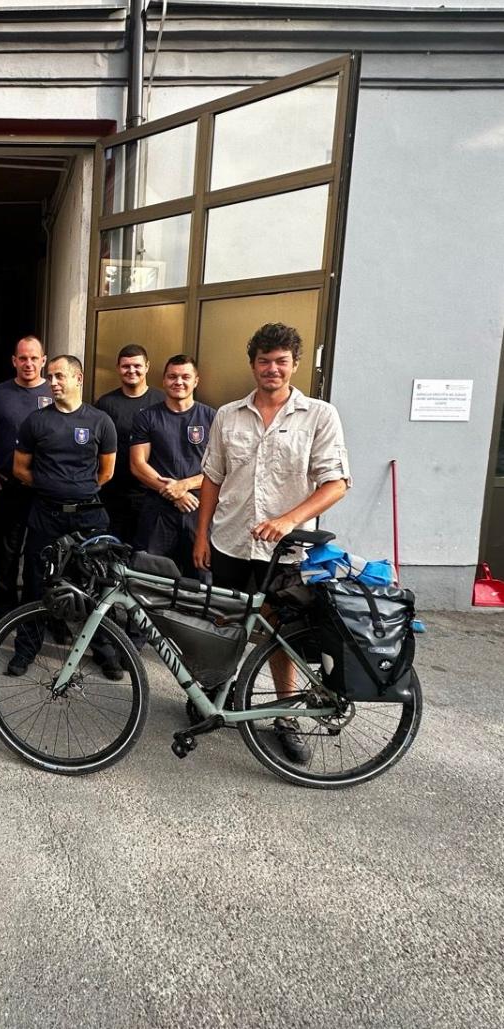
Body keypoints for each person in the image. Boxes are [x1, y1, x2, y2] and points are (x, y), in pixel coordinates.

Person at [192, 322, 351, 765]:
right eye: (264, 361)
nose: (272, 369)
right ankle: (216, 694)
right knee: (225, 621)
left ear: (295, 364)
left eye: (281, 361)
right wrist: (201, 534)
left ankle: (285, 715)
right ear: (253, 365)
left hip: (286, 550)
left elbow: (336, 483)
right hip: (229, 540)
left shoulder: (319, 415)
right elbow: (212, 478)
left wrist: (288, 520)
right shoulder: (228, 415)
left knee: (281, 634)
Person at [6, 354, 120, 679]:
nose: (52, 382)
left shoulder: (100, 421)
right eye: (50, 377)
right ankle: (26, 649)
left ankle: (105, 651)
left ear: (78, 378)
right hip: (46, 515)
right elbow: (20, 469)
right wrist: (51, 487)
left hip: (88, 518)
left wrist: (77, 490)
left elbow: (107, 472)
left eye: (59, 376)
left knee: (96, 584)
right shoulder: (36, 421)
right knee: (35, 582)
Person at [0, 335, 52, 633]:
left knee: (43, 558)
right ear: (14, 361)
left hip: (45, 492)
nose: (28, 363)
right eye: (23, 358)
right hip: (7, 489)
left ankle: (42, 615)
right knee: (5, 557)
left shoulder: (55, 391)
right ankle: (1, 614)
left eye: (34, 358)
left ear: (43, 360)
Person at [129, 355, 216, 576]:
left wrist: (184, 485)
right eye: (172, 377)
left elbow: (221, 469)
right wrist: (174, 493)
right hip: (158, 512)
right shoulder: (147, 417)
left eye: (185, 377)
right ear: (164, 380)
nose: (179, 382)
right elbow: (138, 465)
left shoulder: (212, 417)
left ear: (196, 381)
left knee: (200, 578)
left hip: (199, 511)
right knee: (150, 579)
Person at [95, 344, 164, 546]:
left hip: (152, 494)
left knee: (146, 553)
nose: (131, 370)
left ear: (147, 366)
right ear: (118, 368)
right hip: (114, 494)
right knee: (113, 549)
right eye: (126, 366)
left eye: (137, 366)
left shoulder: (161, 401)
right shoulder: (106, 404)